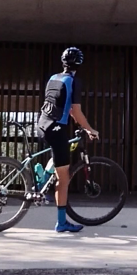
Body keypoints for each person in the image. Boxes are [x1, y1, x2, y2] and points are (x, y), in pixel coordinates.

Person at [35, 46, 100, 233]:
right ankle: (61, 223)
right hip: (56, 129)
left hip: (42, 124)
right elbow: (76, 111)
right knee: (64, 179)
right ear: (79, 64)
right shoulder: (74, 81)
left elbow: (63, 107)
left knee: (57, 153)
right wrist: (90, 129)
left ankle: (43, 177)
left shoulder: (53, 78)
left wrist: (79, 123)